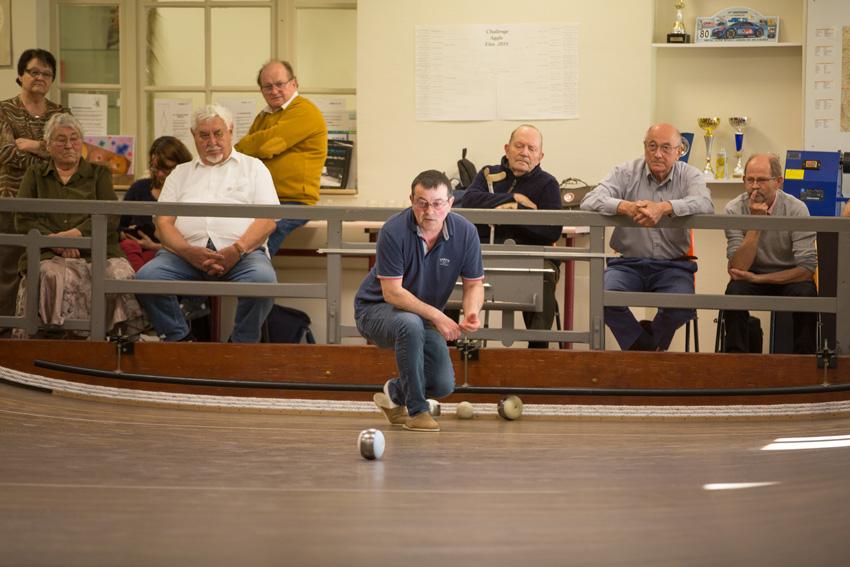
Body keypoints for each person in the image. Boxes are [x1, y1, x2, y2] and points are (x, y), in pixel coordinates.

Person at [135, 104, 279, 343]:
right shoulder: (179, 173)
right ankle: (179, 339)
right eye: (204, 135)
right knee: (147, 278)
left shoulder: (254, 168)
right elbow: (163, 224)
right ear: (194, 136)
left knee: (264, 283)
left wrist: (237, 250)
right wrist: (187, 252)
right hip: (183, 256)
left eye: (218, 133)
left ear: (230, 131)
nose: (211, 140)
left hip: (243, 255)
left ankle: (242, 344)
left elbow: (267, 221)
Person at [355, 170, 484, 432]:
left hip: (420, 315)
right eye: (422, 203)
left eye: (437, 203)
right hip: (375, 310)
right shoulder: (393, 230)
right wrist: (438, 316)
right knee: (410, 324)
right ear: (412, 201)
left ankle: (395, 391)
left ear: (450, 203)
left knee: (443, 384)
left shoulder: (466, 233)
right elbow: (392, 293)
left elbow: (474, 284)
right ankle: (417, 411)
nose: (429, 211)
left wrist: (471, 312)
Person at [580, 123, 714, 351]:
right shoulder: (625, 172)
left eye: (665, 147)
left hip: (673, 266)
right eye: (652, 146)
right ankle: (647, 348)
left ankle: (642, 347)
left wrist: (664, 207)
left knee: (681, 306)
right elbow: (589, 200)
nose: (658, 154)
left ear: (679, 150)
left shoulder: (689, 175)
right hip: (627, 264)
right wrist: (626, 207)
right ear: (644, 148)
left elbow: (705, 203)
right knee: (603, 298)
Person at [13, 113, 142, 338]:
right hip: (47, 251)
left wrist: (77, 235)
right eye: (60, 139)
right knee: (51, 274)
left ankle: (114, 341)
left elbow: (111, 217)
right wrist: (56, 242)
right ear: (48, 145)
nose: (69, 145)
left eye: (74, 138)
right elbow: (22, 218)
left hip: (97, 252)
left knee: (119, 274)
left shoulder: (98, 173)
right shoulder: (34, 175)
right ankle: (52, 341)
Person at [460, 124, 563, 348]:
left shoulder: (548, 184)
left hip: (531, 259)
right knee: (448, 270)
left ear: (540, 156)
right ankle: (447, 350)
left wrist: (514, 213)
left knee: (545, 275)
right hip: (485, 257)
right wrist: (514, 199)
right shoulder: (489, 174)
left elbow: (552, 231)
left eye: (531, 148)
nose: (525, 152)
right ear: (507, 149)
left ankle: (536, 358)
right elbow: (469, 202)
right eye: (519, 146)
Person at [0, 49, 67, 337]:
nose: (40, 77)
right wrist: (47, 154)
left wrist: (32, 145)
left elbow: (70, 152)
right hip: (11, 201)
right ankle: (5, 332)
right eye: (34, 72)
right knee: (7, 272)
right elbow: (5, 153)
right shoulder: (4, 110)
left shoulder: (60, 113)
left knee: (49, 269)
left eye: (46, 73)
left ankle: (43, 332)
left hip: (53, 205)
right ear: (20, 75)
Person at [722, 153, 818, 354]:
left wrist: (759, 279)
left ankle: (805, 366)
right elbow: (738, 268)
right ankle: (734, 365)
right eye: (750, 180)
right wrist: (756, 224)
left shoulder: (797, 209)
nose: (755, 186)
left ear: (778, 182)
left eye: (762, 180)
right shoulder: (733, 209)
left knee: (807, 295)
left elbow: (807, 269)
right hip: (749, 273)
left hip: (790, 277)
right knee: (734, 293)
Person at [234, 60, 328, 256]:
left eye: (280, 84)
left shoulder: (304, 111)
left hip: (293, 202)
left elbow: (267, 146)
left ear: (294, 84)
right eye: (267, 86)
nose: (274, 90)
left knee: (258, 245)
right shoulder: (264, 115)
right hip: (260, 200)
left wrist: (241, 145)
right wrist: (249, 146)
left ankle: (251, 280)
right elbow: (245, 155)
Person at [118, 136, 193, 272]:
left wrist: (154, 246)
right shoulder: (139, 188)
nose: (159, 175)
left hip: (175, 254)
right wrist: (125, 233)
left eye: (166, 170)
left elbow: (195, 240)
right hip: (137, 250)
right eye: (155, 168)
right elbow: (119, 223)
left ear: (182, 165)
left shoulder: (191, 191)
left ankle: (142, 285)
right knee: (128, 247)